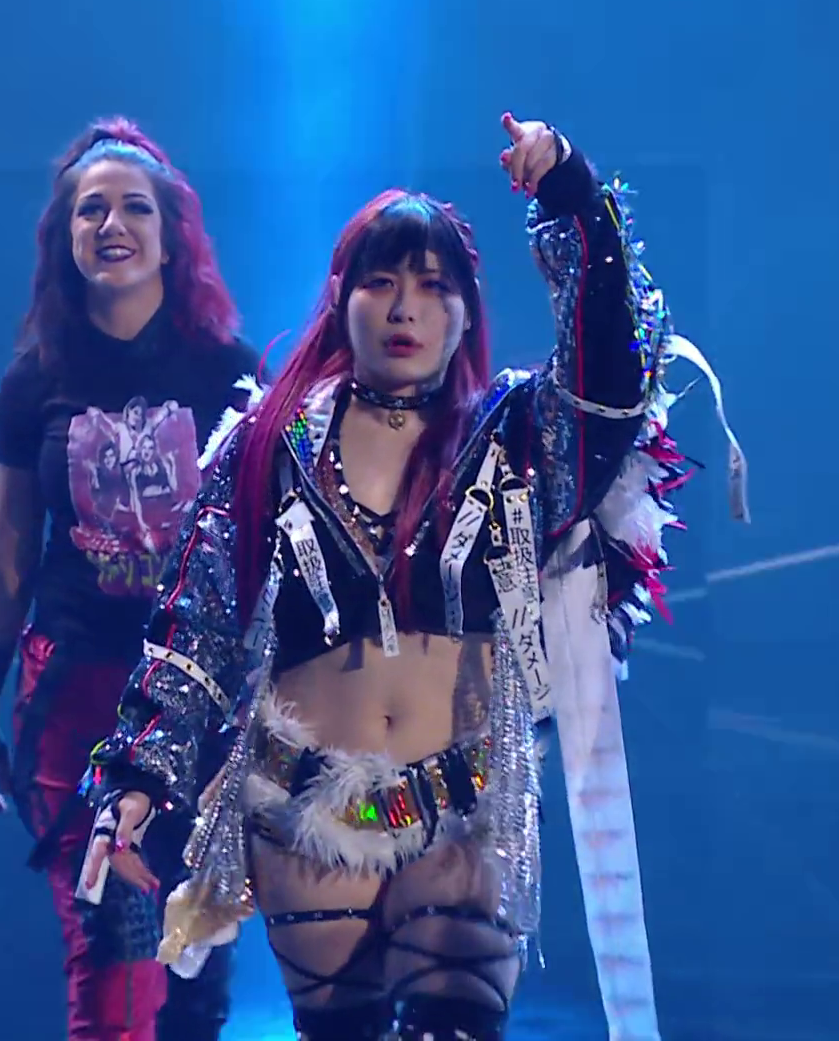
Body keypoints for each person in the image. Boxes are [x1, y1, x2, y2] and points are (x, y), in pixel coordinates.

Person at [77, 110, 751, 1039]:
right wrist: (135, 781)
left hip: (461, 810)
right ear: (340, 296)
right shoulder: (266, 447)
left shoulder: (514, 437)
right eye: (383, 283)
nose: (405, 309)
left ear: (466, 312)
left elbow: (614, 383)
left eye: (434, 288)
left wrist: (568, 187)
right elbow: (192, 629)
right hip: (302, 811)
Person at [0, 116, 262, 1041]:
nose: (111, 224)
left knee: (196, 960)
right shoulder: (33, 381)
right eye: (90, 210)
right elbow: (10, 547)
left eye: (134, 207)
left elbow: (261, 550)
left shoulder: (233, 375)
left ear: (172, 236)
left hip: (197, 703)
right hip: (75, 692)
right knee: (113, 943)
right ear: (66, 238)